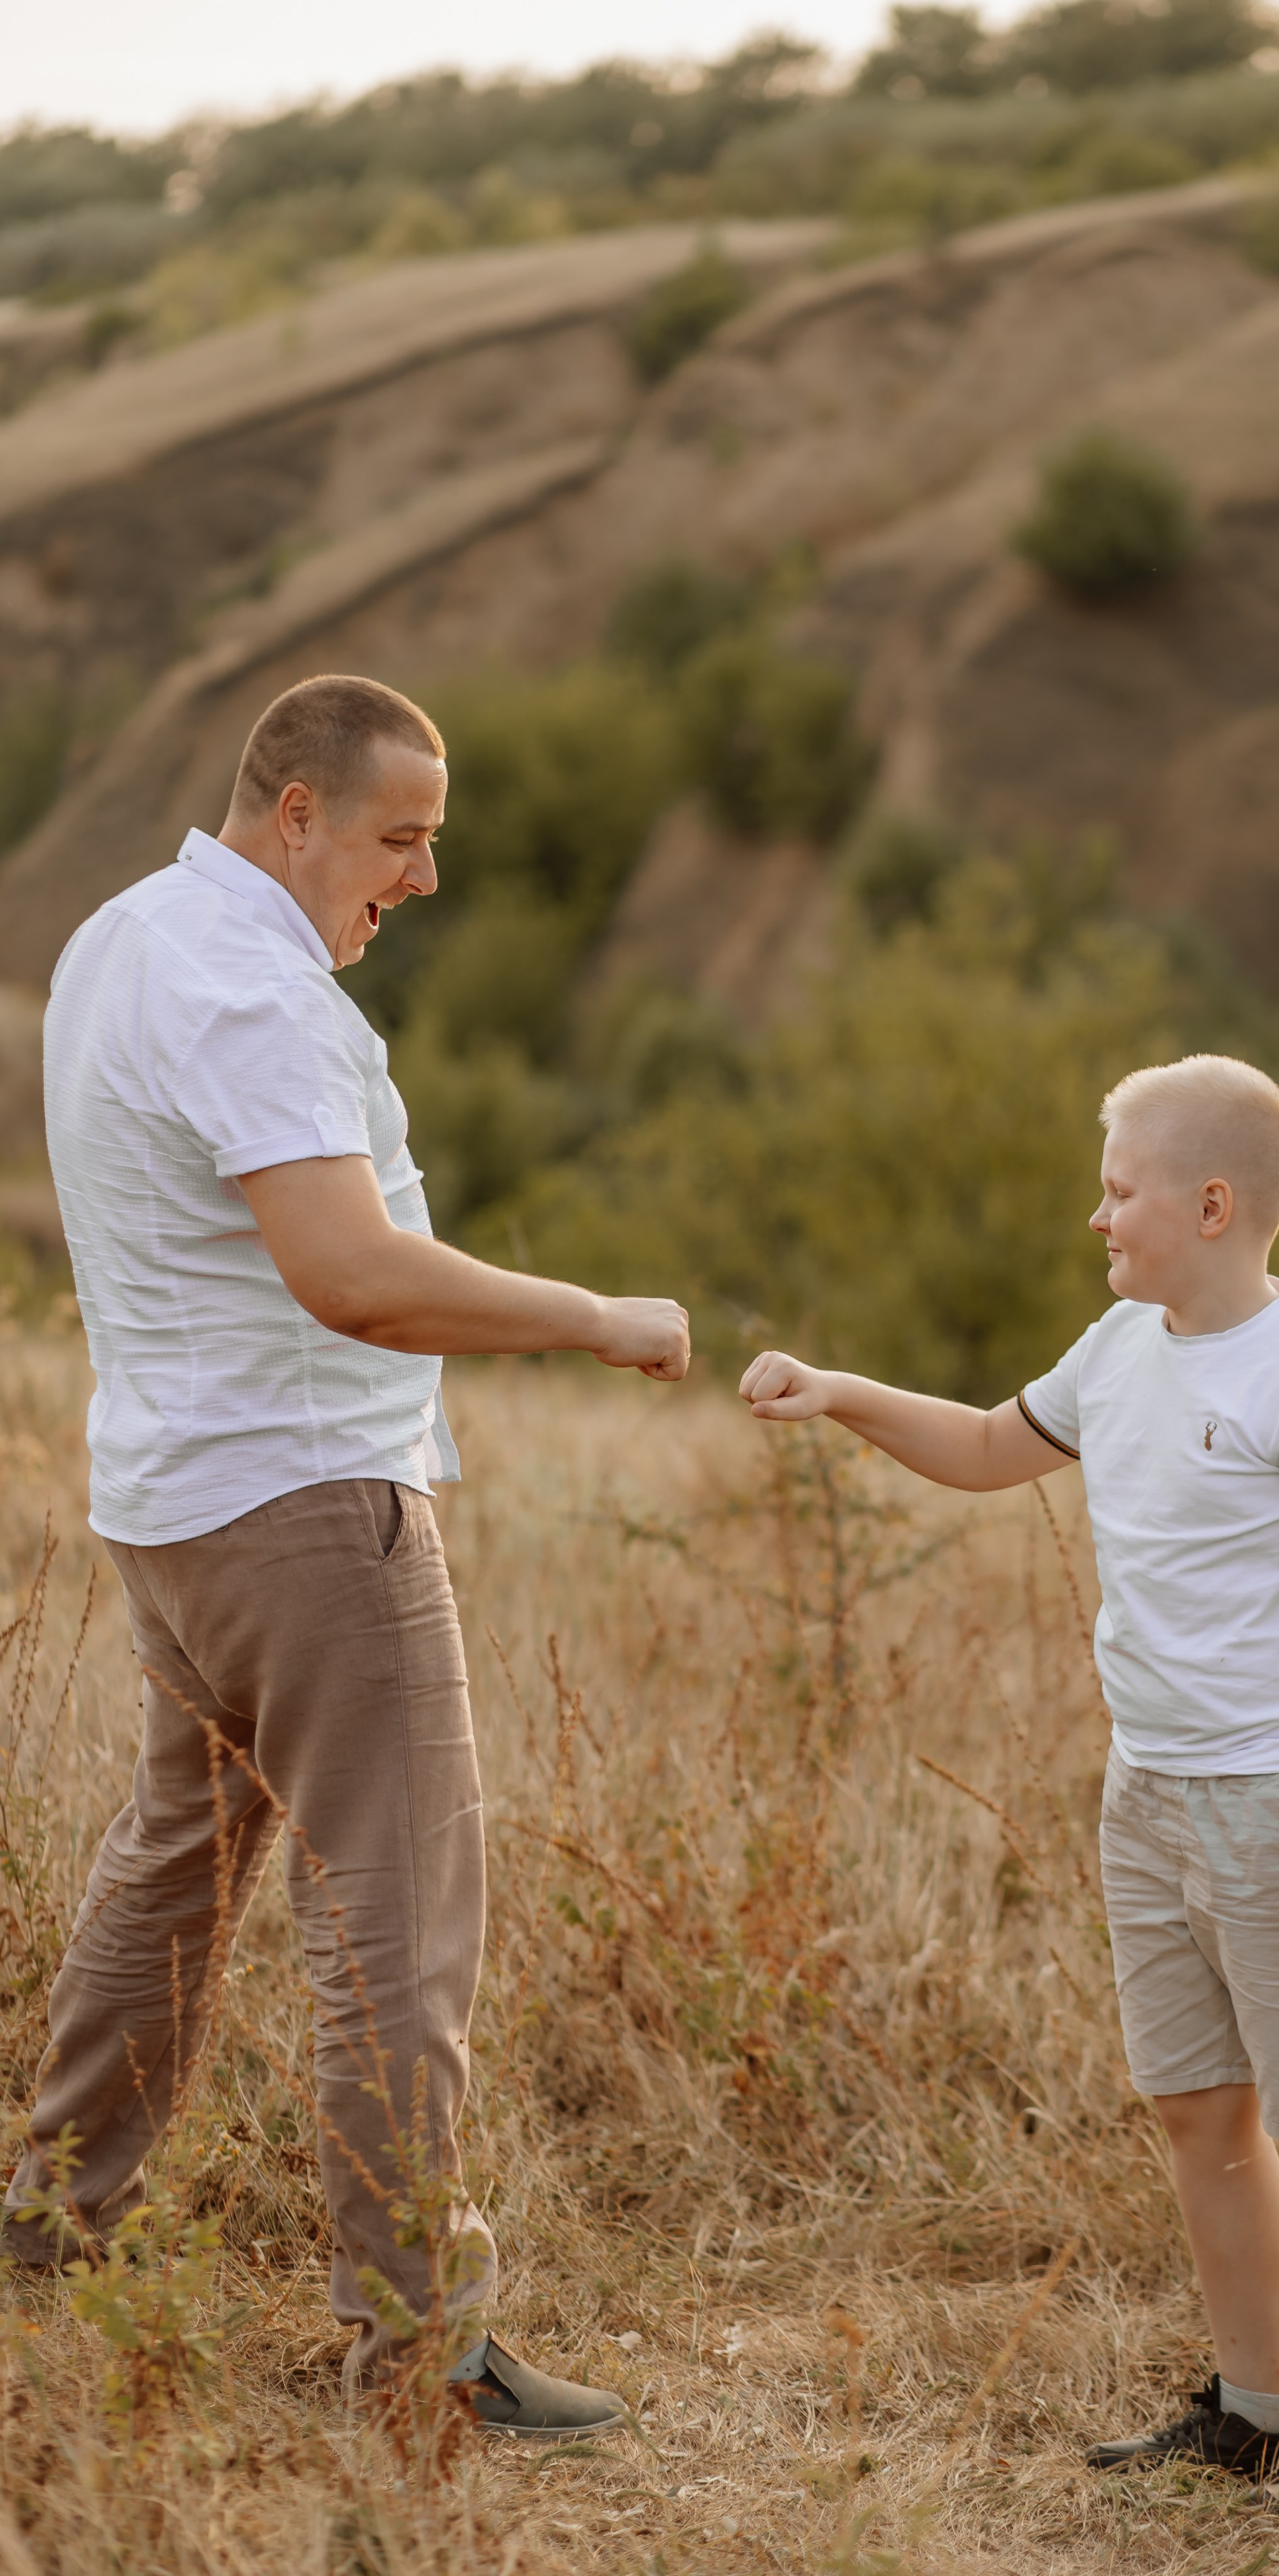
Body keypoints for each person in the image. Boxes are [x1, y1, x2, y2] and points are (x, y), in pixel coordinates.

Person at [2, 672, 690, 2438]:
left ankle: (49, 2228)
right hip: (310, 1517)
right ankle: (426, 2362)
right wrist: (598, 1316)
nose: (425, 879)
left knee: (172, 1874)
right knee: (398, 1930)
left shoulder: (124, 944)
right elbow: (352, 1273)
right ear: (292, 812)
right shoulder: (252, 992)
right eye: (403, 838)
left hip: (171, 1512)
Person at [738, 1054, 1279, 2516]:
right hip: (1150, 1793)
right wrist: (844, 1393)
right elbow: (998, 1450)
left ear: (1208, 1202)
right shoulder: (1121, 1345)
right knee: (1198, 2112)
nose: (1094, 1217)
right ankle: (1253, 2408)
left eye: (1115, 1190)